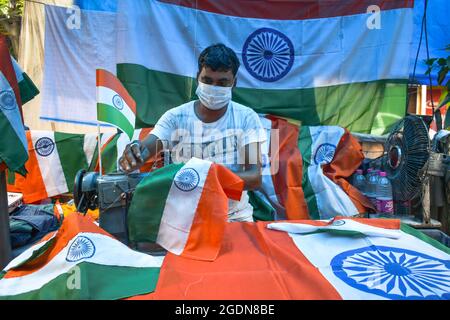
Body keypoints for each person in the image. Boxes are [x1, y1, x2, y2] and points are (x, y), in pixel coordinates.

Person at [119, 43, 266, 222]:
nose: (214, 88)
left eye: (222, 82)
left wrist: (203, 178)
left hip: (233, 217)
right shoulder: (175, 118)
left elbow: (254, 177)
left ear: (234, 83)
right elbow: (146, 149)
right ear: (198, 78)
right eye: (207, 80)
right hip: (184, 219)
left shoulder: (246, 118)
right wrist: (134, 154)